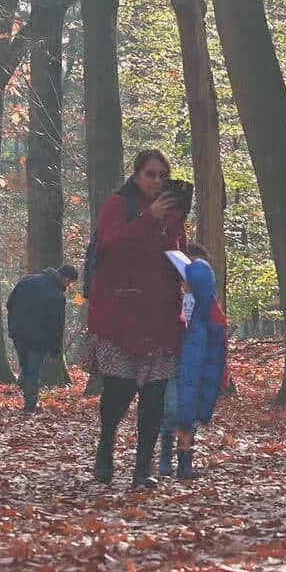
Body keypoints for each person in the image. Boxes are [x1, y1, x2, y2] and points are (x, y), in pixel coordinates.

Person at [82, 149, 188, 490]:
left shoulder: (174, 212)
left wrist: (189, 276)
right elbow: (110, 246)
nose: (156, 181)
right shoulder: (118, 205)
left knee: (155, 400)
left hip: (160, 318)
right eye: (150, 174)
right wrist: (148, 218)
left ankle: (143, 469)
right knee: (118, 394)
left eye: (162, 175)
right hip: (120, 317)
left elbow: (176, 252)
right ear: (136, 175)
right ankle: (106, 449)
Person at [162, 253, 229, 480]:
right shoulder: (172, 301)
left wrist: (220, 374)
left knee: (187, 418)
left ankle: (185, 462)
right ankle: (165, 461)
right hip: (174, 364)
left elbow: (217, 346)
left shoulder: (208, 308)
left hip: (195, 368)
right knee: (171, 413)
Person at [8, 264, 78, 413]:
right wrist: (55, 351)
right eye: (70, 283)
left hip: (18, 333)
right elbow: (57, 326)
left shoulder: (27, 280)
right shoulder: (57, 295)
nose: (68, 286)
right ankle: (30, 405)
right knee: (33, 371)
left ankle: (27, 397)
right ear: (66, 278)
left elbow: (10, 304)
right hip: (39, 338)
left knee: (26, 367)